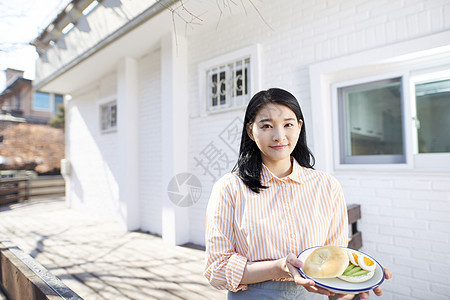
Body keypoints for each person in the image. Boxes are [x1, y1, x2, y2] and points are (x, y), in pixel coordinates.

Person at [203, 88, 392, 299]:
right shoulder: (229, 188)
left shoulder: (327, 186)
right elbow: (217, 269)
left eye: (288, 124)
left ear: (299, 127)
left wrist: (355, 282)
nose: (279, 136)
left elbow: (336, 257)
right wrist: (279, 268)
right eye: (266, 126)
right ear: (250, 131)